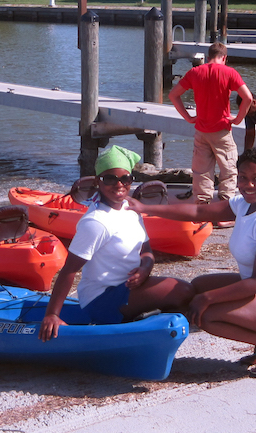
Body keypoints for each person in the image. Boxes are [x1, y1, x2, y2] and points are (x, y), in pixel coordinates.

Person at [128, 147, 256, 379]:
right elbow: (198, 211)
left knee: (207, 315)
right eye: (243, 178)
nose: (248, 185)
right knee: (200, 285)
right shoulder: (245, 204)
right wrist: (145, 208)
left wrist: (207, 299)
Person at [38, 145, 194, 341]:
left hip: (127, 288)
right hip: (101, 298)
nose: (118, 184)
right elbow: (69, 270)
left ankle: (140, 325)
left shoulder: (129, 208)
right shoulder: (96, 222)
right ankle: (131, 326)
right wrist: (52, 314)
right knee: (183, 291)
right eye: (109, 178)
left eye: (125, 178)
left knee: (188, 291)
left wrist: (145, 267)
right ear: (97, 181)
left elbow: (146, 249)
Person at [169, 43, 253, 207]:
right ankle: (224, 211)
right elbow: (248, 98)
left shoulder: (194, 72)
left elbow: (173, 95)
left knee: (201, 172)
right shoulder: (229, 72)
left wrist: (188, 117)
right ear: (224, 58)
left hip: (201, 130)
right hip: (222, 130)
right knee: (228, 172)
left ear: (208, 57)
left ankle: (202, 211)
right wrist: (238, 119)